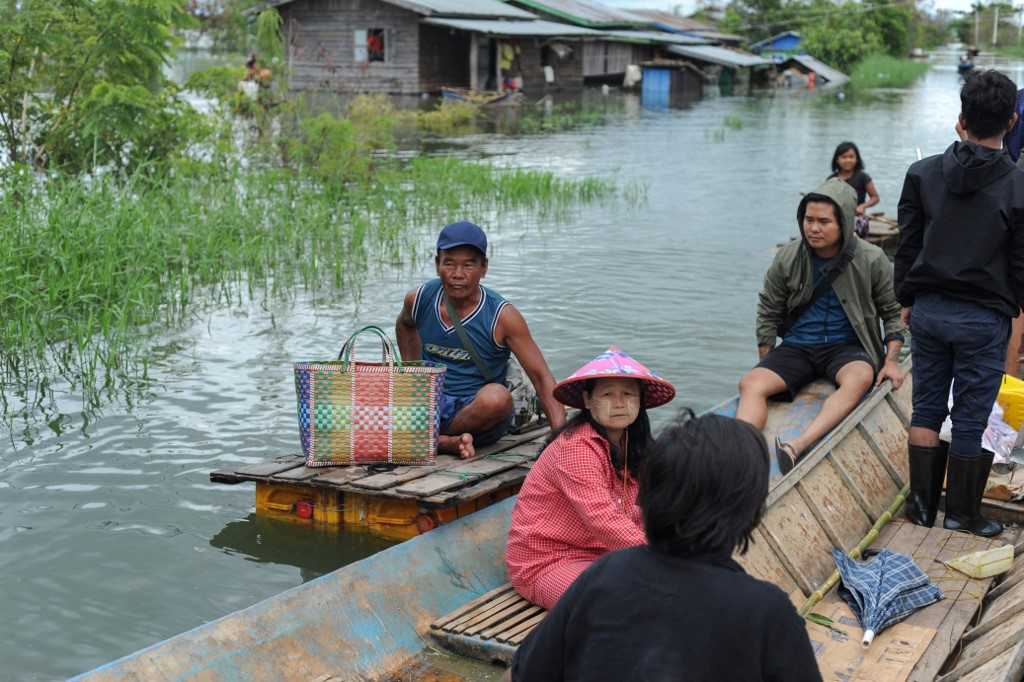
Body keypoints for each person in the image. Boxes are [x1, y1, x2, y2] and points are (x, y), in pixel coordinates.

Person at [508, 412, 822, 682]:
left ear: (655, 496)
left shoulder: (604, 575)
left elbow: (523, 673)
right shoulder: (768, 612)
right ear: (751, 511)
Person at [895, 69, 1024, 537]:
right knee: (971, 415)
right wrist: (1013, 311)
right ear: (1011, 121)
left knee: (926, 408)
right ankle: (963, 514)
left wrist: (906, 299)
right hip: (983, 318)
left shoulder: (922, 173)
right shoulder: (1018, 184)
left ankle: (922, 509)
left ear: (961, 119)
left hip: (928, 309)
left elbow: (908, 246)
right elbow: (1020, 264)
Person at [738, 179, 905, 473]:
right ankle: (737, 455)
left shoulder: (872, 259)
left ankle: (798, 445)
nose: (813, 228)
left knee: (859, 378)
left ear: (843, 222)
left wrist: (891, 361)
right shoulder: (788, 256)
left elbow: (892, 313)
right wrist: (766, 362)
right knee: (751, 384)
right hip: (798, 346)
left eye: (823, 221)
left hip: (847, 347)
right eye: (808, 220)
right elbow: (768, 309)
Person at [505, 347, 675, 609]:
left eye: (628, 394)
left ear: (640, 400)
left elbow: (646, 507)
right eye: (607, 394)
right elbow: (602, 518)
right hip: (548, 562)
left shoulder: (633, 443)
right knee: (628, 600)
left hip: (603, 554)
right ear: (587, 400)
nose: (619, 403)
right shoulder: (577, 447)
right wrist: (663, 557)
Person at [396, 221, 565, 459]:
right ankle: (443, 442)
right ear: (437, 265)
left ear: (484, 268)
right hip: (427, 403)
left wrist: (561, 439)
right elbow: (404, 325)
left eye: (468, 265)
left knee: (497, 399)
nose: (457, 274)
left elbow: (541, 377)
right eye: (449, 263)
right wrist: (410, 374)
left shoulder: (502, 316)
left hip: (474, 413)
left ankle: (424, 437)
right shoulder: (419, 299)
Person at [828, 141, 880, 237]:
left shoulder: (863, 177)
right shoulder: (831, 179)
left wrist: (862, 207)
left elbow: (875, 198)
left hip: (857, 217)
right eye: (844, 157)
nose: (848, 160)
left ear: (857, 159)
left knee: (859, 226)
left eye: (851, 157)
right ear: (837, 160)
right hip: (837, 217)